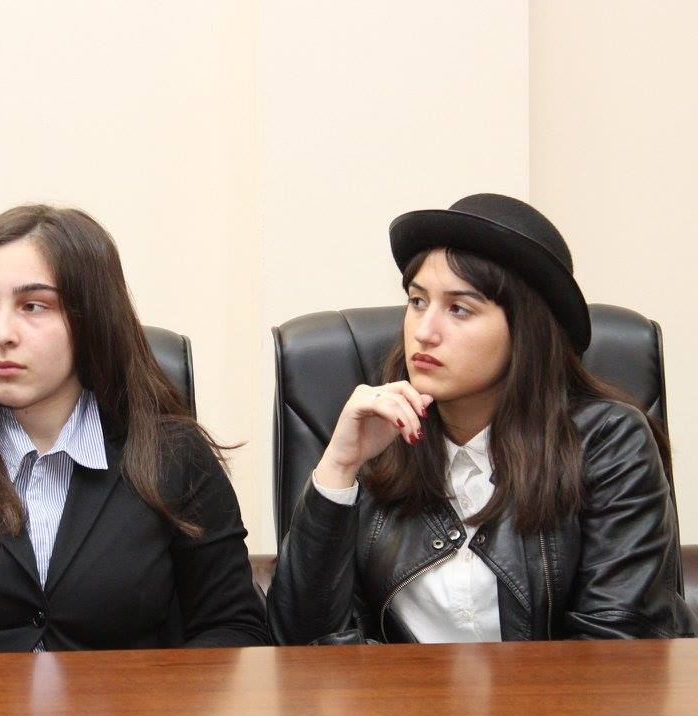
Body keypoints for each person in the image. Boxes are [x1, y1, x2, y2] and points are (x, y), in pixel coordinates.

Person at [0, 204, 267, 654]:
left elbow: (233, 629)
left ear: (91, 319)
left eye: (33, 306)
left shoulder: (174, 457)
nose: (0, 333)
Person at [268, 193, 695, 644]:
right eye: (417, 301)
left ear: (526, 331)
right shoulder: (381, 439)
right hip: (394, 694)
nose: (424, 332)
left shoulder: (608, 443)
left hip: (565, 694)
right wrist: (339, 467)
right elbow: (297, 646)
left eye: (460, 309)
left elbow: (619, 645)